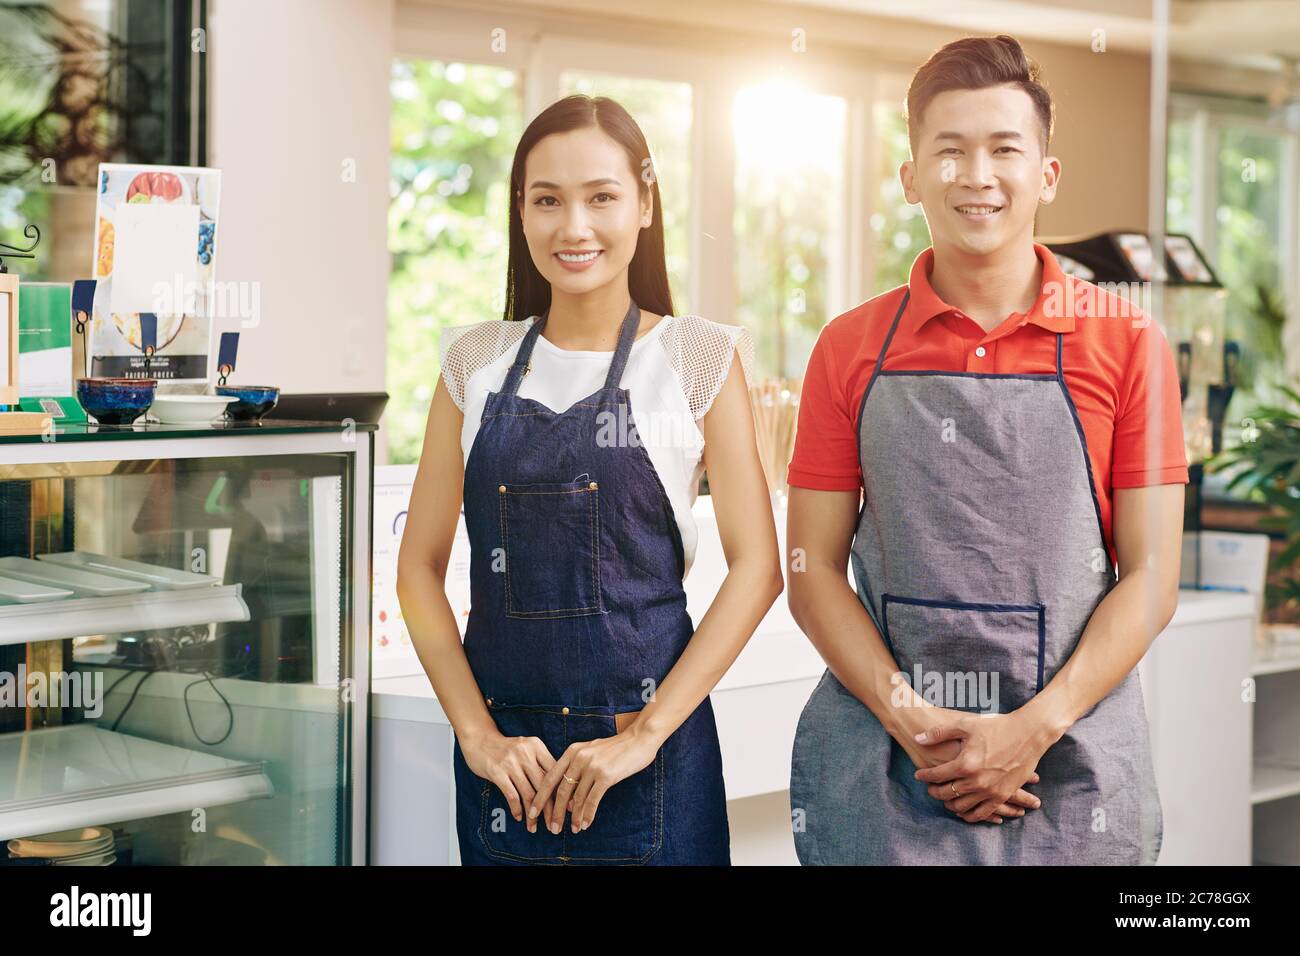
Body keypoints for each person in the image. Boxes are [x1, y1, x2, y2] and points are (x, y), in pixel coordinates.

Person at [786, 35, 1187, 865]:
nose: (978, 175)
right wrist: (908, 715)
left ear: (1046, 174)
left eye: (1005, 149)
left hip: (1070, 765)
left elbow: (1151, 578)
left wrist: (1031, 729)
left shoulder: (1129, 343)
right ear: (910, 177)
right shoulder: (848, 347)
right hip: (890, 764)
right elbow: (811, 570)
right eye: (951, 150)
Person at [397, 94, 783, 866]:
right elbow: (418, 570)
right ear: (520, 212)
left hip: (652, 769)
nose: (574, 227)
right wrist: (476, 736)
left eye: (601, 197)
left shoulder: (697, 357)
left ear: (643, 205)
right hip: (509, 779)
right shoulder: (473, 362)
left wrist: (641, 738)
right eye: (548, 201)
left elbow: (759, 570)